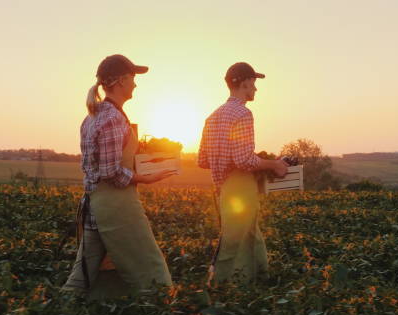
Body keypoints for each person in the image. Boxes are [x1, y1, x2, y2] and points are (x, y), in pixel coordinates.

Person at [63, 54, 175, 299]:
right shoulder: (113, 118)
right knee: (148, 264)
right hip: (116, 206)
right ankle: (159, 307)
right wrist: (144, 178)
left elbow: (101, 163)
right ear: (122, 80)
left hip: (96, 203)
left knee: (85, 270)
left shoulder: (93, 116)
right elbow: (110, 171)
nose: (135, 83)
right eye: (133, 77)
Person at [198, 62, 288, 284]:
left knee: (251, 236)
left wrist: (223, 158)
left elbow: (202, 160)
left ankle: (260, 281)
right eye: (254, 84)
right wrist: (273, 165)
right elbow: (244, 160)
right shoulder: (243, 114)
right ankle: (217, 288)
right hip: (240, 188)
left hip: (223, 189)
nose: (256, 89)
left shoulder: (212, 117)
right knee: (232, 242)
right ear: (245, 84)